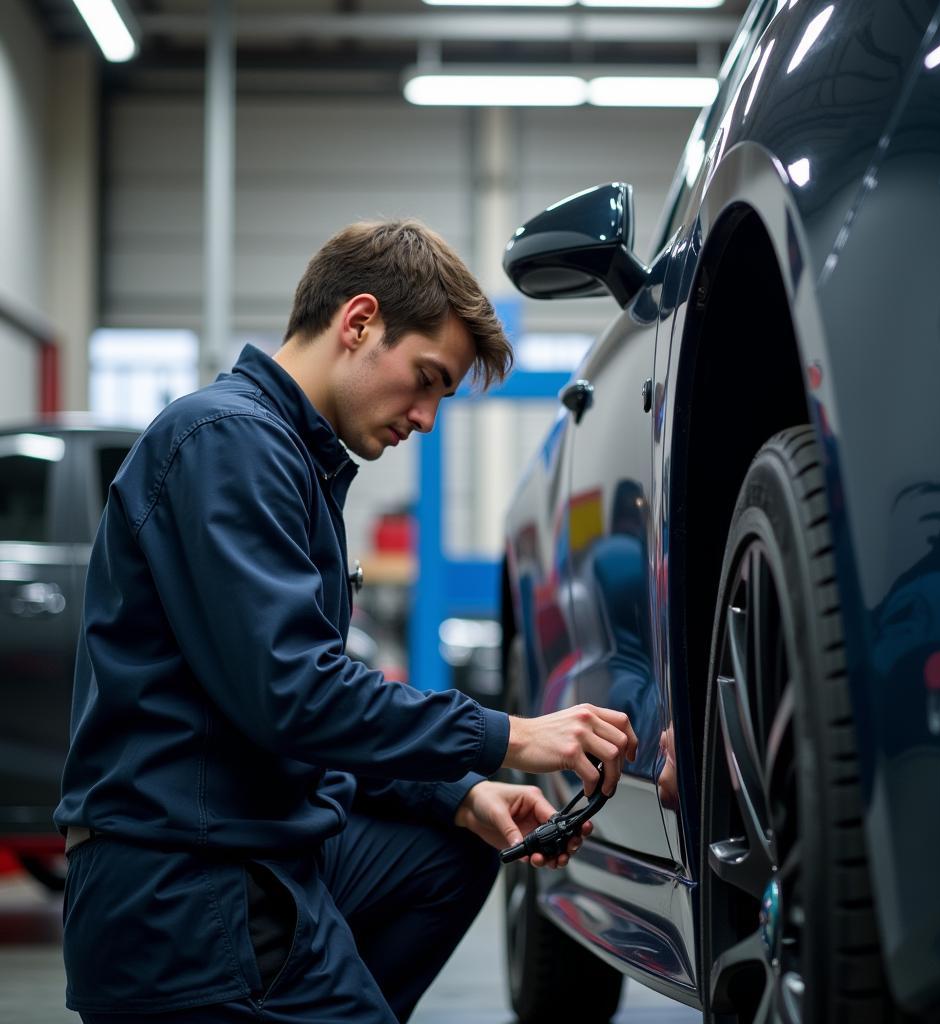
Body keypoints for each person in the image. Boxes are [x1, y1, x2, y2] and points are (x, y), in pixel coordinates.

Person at [55, 220, 637, 1024]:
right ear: (358, 321)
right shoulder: (228, 442)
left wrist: (465, 795)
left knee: (456, 843)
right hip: (186, 891)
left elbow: (314, 721)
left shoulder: (290, 459)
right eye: (427, 378)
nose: (428, 417)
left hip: (254, 849)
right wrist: (509, 736)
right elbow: (296, 695)